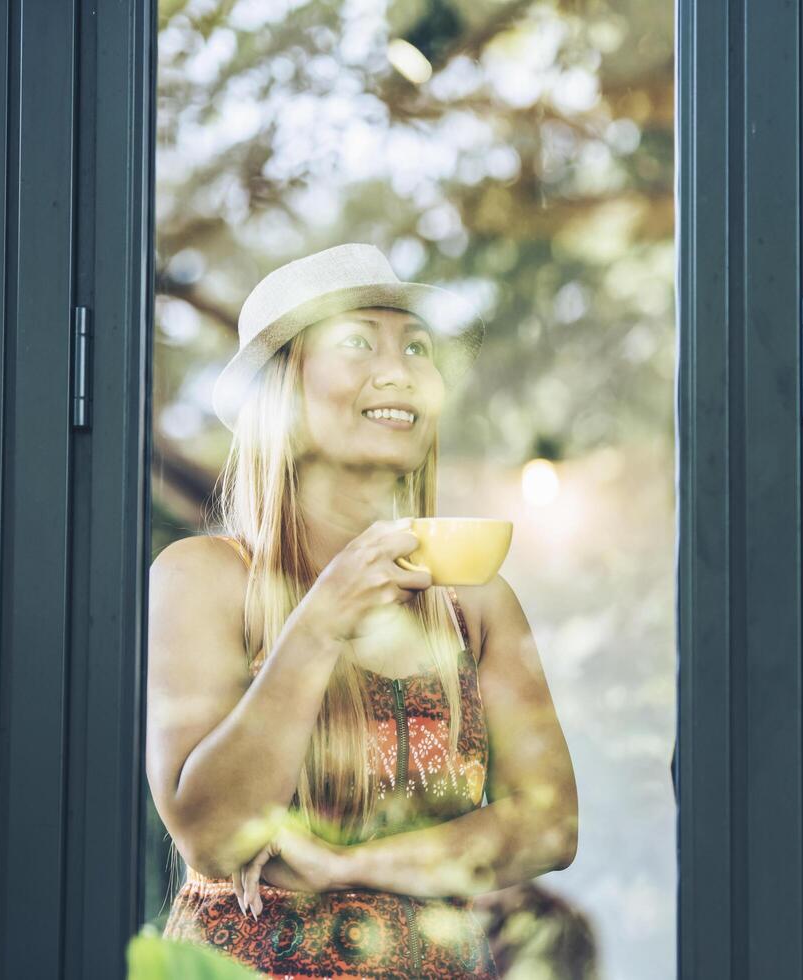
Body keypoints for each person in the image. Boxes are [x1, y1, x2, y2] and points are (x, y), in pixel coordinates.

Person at [145, 243, 579, 978]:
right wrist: (319, 622)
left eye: (416, 345)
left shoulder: (475, 601)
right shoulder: (203, 578)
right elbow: (214, 836)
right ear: (282, 392)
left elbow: (548, 826)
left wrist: (346, 864)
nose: (399, 367)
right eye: (356, 341)